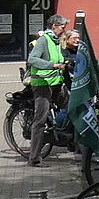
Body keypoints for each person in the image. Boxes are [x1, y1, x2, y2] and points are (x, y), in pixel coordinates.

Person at [26, 14, 70, 167]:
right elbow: (32, 59)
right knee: (40, 121)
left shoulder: (57, 40)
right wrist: (53, 65)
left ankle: (68, 141)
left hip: (56, 83)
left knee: (72, 107)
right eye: (62, 27)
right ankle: (34, 158)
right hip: (42, 85)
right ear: (54, 26)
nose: (64, 30)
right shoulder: (44, 40)